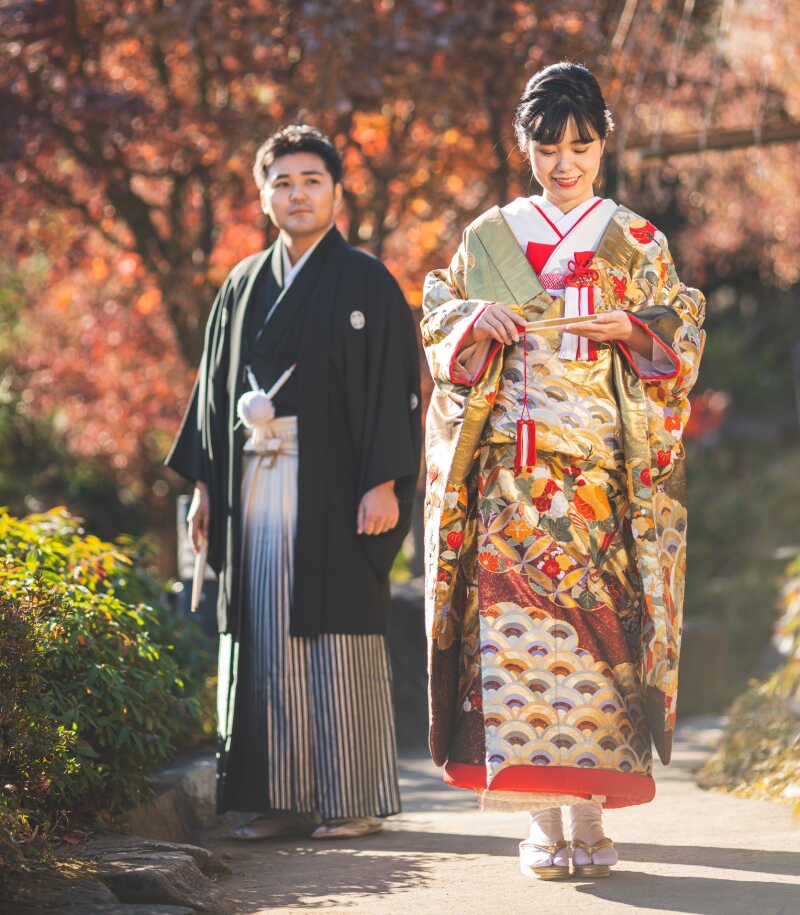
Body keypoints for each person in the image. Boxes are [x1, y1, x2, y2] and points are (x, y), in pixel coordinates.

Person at [421, 62, 705, 879]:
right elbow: (438, 316)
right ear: (526, 147)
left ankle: (594, 819)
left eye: (580, 145)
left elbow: (681, 330)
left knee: (601, 652)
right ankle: (542, 823)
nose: (565, 163)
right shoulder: (488, 236)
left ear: (604, 142)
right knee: (519, 651)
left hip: (601, 481)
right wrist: (474, 316)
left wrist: (636, 329)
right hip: (512, 480)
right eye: (548, 147)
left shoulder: (638, 239)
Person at [167, 125, 421, 840]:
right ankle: (277, 798)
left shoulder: (366, 279)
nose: (297, 193)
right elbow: (212, 397)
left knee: (335, 629)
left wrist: (385, 481)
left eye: (311, 179)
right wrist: (204, 489)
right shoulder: (240, 286)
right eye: (282, 181)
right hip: (250, 479)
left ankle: (350, 799)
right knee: (262, 630)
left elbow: (395, 390)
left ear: (336, 192)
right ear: (263, 193)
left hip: (337, 485)